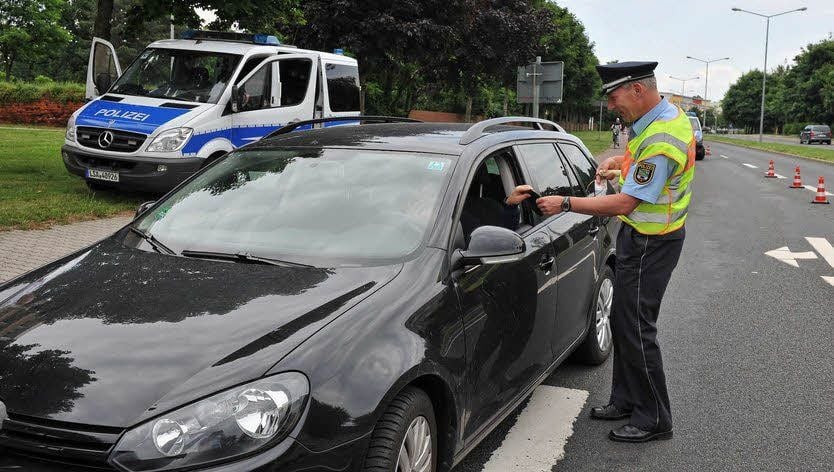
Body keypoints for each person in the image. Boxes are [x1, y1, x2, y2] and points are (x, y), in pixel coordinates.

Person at [515, 61, 695, 443]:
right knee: (622, 323)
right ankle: (626, 399)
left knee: (637, 330)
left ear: (638, 91)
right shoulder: (656, 118)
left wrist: (565, 204)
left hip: (652, 243)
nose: (612, 106)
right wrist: (620, 164)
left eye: (614, 98)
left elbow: (625, 204)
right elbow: (641, 169)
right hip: (643, 237)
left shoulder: (662, 136)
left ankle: (654, 419)